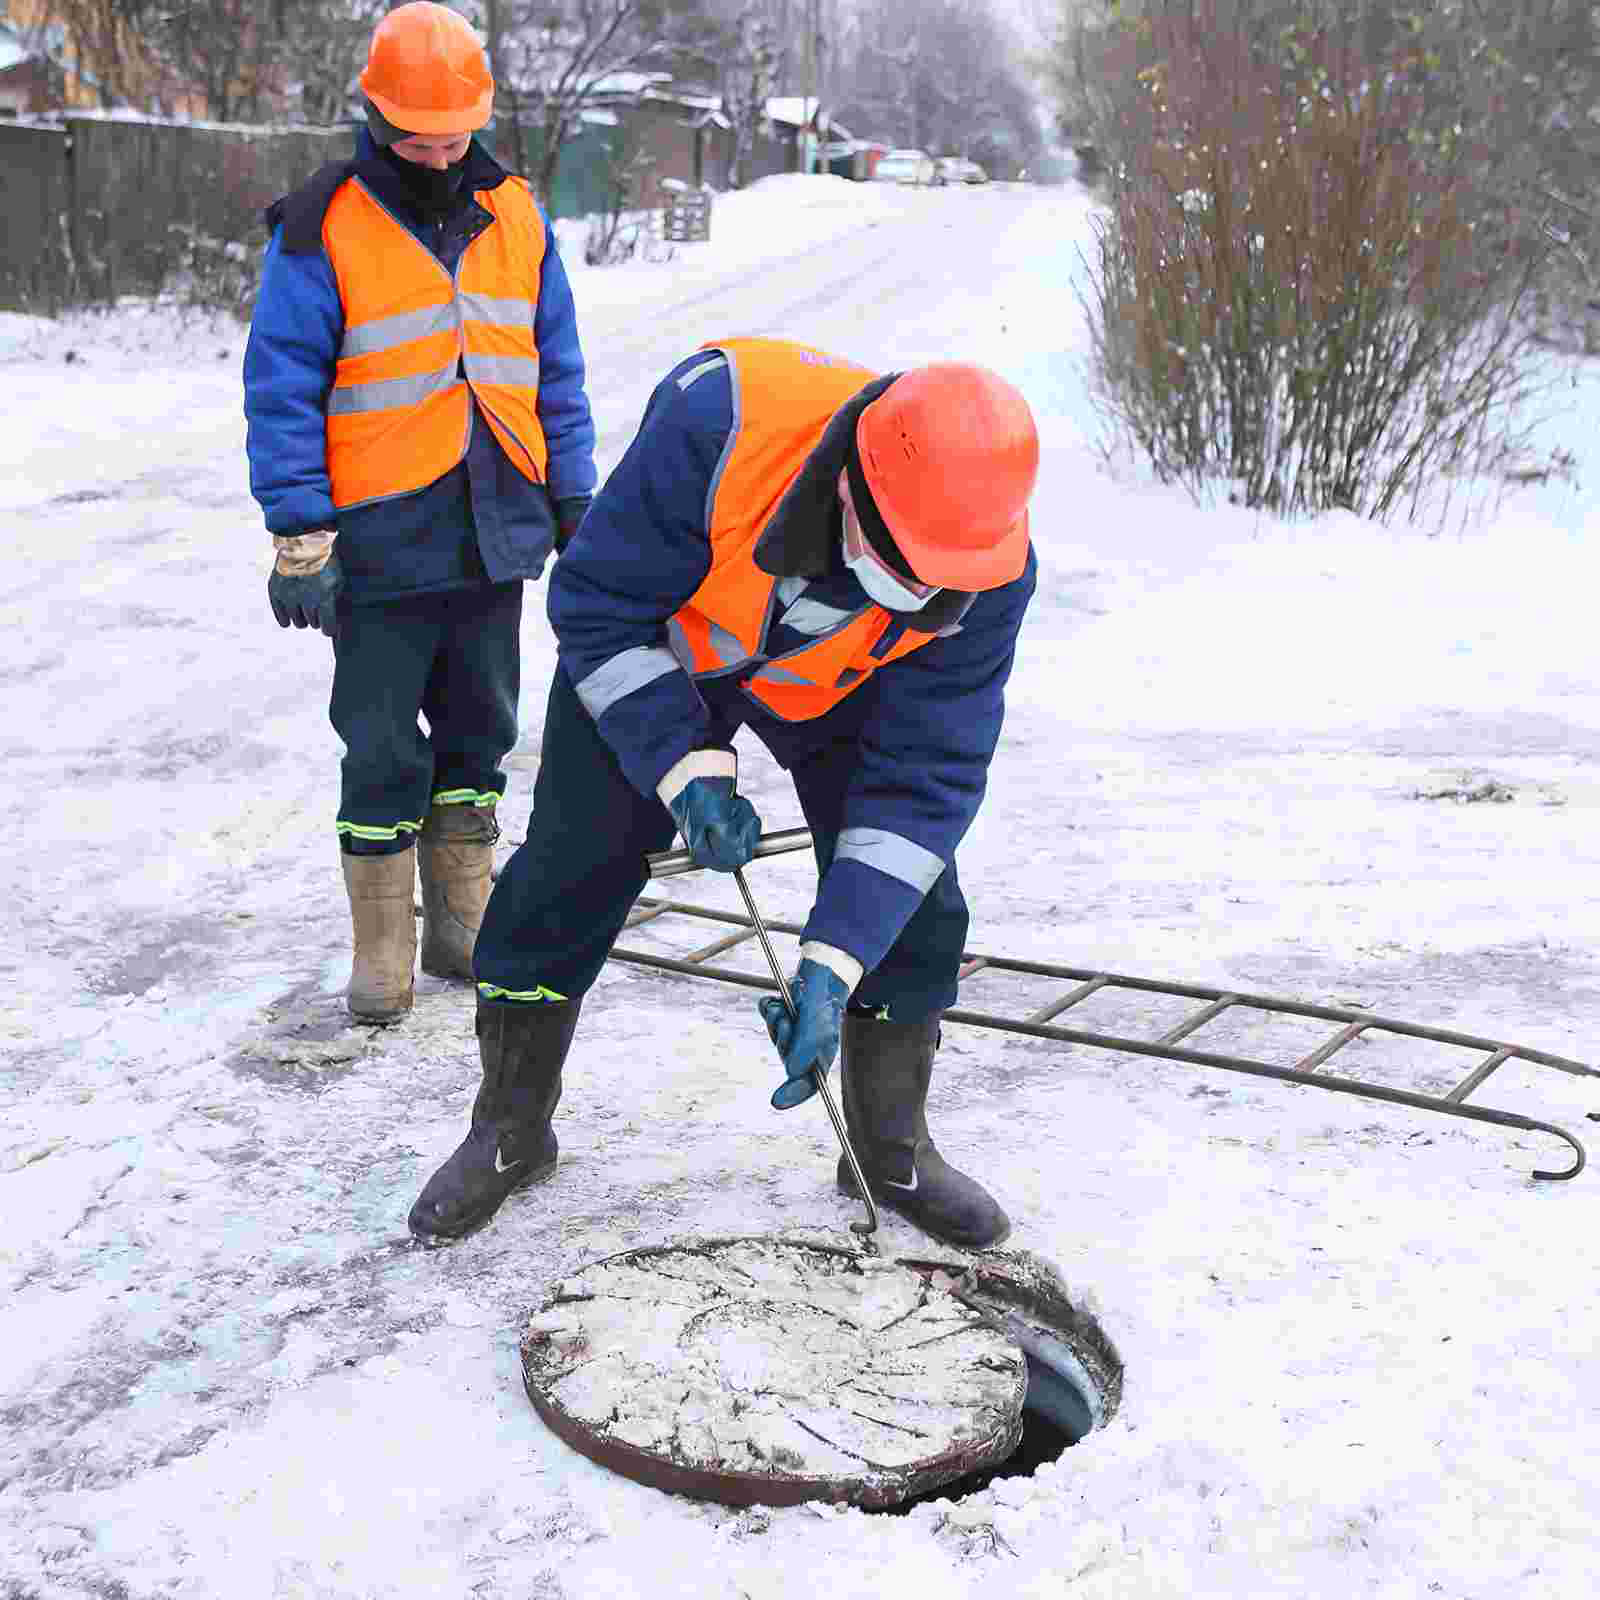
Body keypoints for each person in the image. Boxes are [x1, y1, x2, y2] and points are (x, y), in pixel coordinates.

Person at [409, 337, 1039, 1252]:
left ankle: (890, 1149)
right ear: (856, 490)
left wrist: (834, 961)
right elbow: (596, 608)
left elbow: (924, 782)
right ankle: (509, 1131)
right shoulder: (719, 424)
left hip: (833, 684)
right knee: (568, 869)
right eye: (908, 571)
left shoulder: (988, 568)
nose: (923, 600)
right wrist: (685, 767)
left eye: (944, 586)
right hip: (656, 650)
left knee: (917, 905)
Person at [242, 2, 597, 1022]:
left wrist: (573, 496)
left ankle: (461, 926)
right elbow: (282, 384)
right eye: (417, 136)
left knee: (482, 731)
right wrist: (300, 527)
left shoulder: (517, 213)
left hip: (494, 528)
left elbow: (554, 369)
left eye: (455, 135)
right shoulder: (321, 225)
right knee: (383, 743)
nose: (439, 154)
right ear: (374, 113)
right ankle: (383, 951)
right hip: (384, 536)